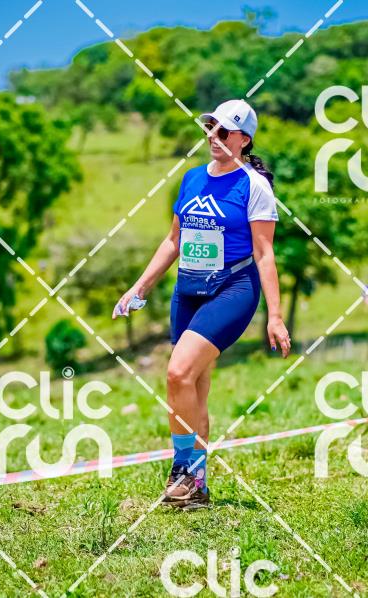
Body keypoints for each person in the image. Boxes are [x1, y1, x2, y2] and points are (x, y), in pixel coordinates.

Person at [114, 99, 290, 510]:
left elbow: (265, 254)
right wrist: (140, 287)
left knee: (177, 372)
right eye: (210, 127)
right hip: (188, 289)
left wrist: (275, 316)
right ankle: (198, 488)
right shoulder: (192, 178)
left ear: (244, 139)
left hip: (233, 287)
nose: (214, 136)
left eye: (224, 130)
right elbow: (173, 241)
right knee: (194, 385)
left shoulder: (254, 186)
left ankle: (183, 472)